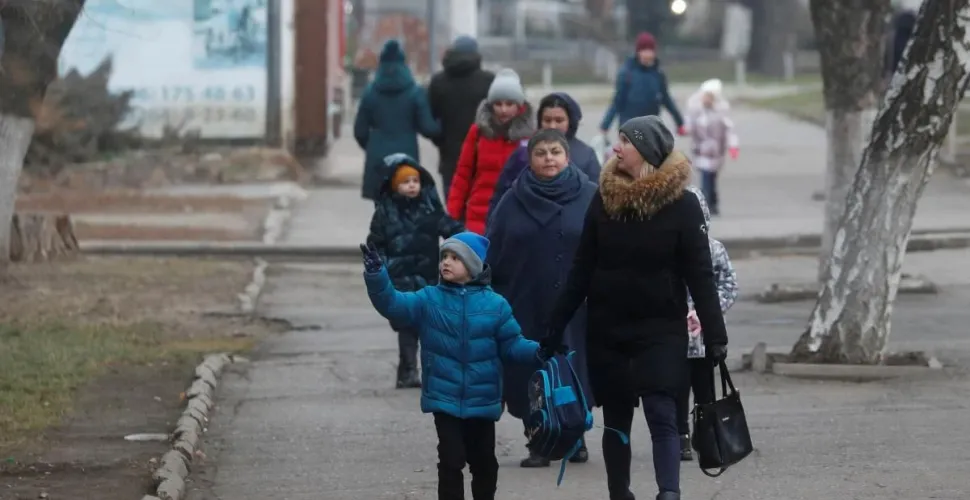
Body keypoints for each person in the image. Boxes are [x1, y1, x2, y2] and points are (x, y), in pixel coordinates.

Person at [540, 116, 729, 500]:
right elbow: (582, 268)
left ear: (645, 150)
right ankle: (619, 493)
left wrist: (716, 335)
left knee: (663, 414)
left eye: (624, 141)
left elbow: (700, 275)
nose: (615, 148)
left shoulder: (683, 205)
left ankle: (669, 493)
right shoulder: (604, 198)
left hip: (660, 330)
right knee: (617, 421)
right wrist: (554, 326)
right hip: (608, 331)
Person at [360, 232, 542, 500]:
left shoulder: (496, 305)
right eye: (444, 256)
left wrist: (541, 350)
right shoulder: (428, 299)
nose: (446, 262)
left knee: (484, 463)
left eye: (455, 258)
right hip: (444, 398)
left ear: (473, 266)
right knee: (450, 460)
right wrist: (378, 276)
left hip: (482, 399)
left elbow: (512, 344)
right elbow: (393, 305)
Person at [485, 129, 599, 468]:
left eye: (555, 152)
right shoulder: (513, 199)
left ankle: (574, 435)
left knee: (575, 367)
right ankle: (538, 439)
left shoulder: (591, 195)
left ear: (567, 157)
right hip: (524, 300)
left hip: (577, 305)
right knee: (530, 372)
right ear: (530, 159)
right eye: (541, 153)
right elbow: (494, 247)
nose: (548, 158)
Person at [365, 153, 465, 389]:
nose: (411, 186)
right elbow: (376, 243)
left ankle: (433, 371)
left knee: (431, 325)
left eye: (415, 181)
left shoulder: (429, 210)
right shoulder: (384, 214)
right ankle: (408, 369)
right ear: (394, 185)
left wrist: (466, 239)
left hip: (428, 277)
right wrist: (380, 266)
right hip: (399, 279)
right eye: (405, 182)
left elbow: (449, 227)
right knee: (407, 326)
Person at [677, 184, 738, 461]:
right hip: (674, 334)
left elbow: (728, 285)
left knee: (705, 388)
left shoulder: (714, 249)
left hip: (703, 337)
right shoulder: (667, 250)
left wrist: (709, 312)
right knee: (677, 388)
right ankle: (681, 434)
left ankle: (707, 431)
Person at [446, 68, 535, 235]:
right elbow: (462, 174)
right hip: (479, 217)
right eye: (498, 104)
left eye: (509, 104)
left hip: (517, 216)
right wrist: (452, 214)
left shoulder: (532, 136)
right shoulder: (478, 132)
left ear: (519, 105)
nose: (503, 110)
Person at [487, 92, 602, 221]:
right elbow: (500, 197)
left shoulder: (586, 155)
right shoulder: (523, 154)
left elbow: (596, 201)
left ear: (570, 122)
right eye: (547, 120)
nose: (553, 126)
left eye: (559, 120)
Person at [354, 39, 440, 201]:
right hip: (406, 156)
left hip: (378, 157)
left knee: (382, 210)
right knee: (406, 208)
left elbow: (360, 131)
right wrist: (441, 126)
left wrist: (372, 146)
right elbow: (428, 128)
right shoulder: (414, 92)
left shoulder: (371, 92)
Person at [428, 35, 496, 198]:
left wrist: (441, 140)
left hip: (450, 158)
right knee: (480, 212)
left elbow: (430, 120)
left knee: (454, 210)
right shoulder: (489, 81)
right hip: (483, 157)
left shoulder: (438, 82)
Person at [599, 32, 685, 138]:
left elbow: (666, 99)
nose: (647, 54)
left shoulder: (658, 74)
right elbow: (617, 101)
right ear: (638, 52)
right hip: (629, 127)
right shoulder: (626, 73)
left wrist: (680, 123)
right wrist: (605, 125)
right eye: (644, 50)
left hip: (651, 127)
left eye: (650, 50)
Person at [684, 78, 738, 216]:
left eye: (710, 96)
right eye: (705, 96)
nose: (707, 99)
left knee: (712, 178)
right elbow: (689, 124)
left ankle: (713, 202)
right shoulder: (696, 109)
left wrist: (733, 146)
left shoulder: (721, 110)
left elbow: (729, 129)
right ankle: (707, 205)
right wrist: (685, 129)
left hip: (716, 151)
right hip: (701, 150)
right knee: (706, 177)